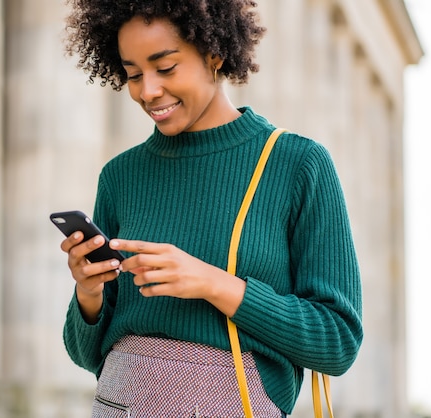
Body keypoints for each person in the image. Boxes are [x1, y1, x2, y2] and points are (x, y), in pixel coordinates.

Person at [59, 0, 363, 416]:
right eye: (133, 74)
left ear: (214, 53)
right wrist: (89, 291)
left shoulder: (296, 164)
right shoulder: (120, 176)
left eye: (165, 68)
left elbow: (338, 341)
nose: (148, 91)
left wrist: (213, 283)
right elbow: (87, 354)